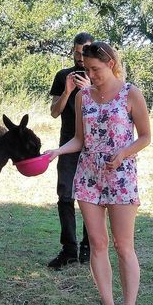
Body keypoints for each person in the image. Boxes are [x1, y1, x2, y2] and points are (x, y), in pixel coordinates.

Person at [45, 42, 151, 305]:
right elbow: (80, 139)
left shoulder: (131, 93)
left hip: (120, 177)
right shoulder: (83, 97)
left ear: (112, 63)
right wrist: (57, 151)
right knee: (98, 244)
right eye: (87, 69)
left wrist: (123, 154)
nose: (91, 74)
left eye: (96, 69)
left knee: (123, 246)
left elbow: (144, 137)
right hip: (89, 177)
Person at [47, 32, 93, 269]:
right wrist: (67, 91)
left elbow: (108, 107)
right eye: (76, 53)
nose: (80, 58)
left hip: (94, 145)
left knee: (90, 197)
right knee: (65, 196)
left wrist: (88, 90)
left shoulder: (100, 75)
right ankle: (69, 249)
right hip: (68, 143)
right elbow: (54, 112)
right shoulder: (63, 75)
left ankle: (89, 248)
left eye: (84, 53)